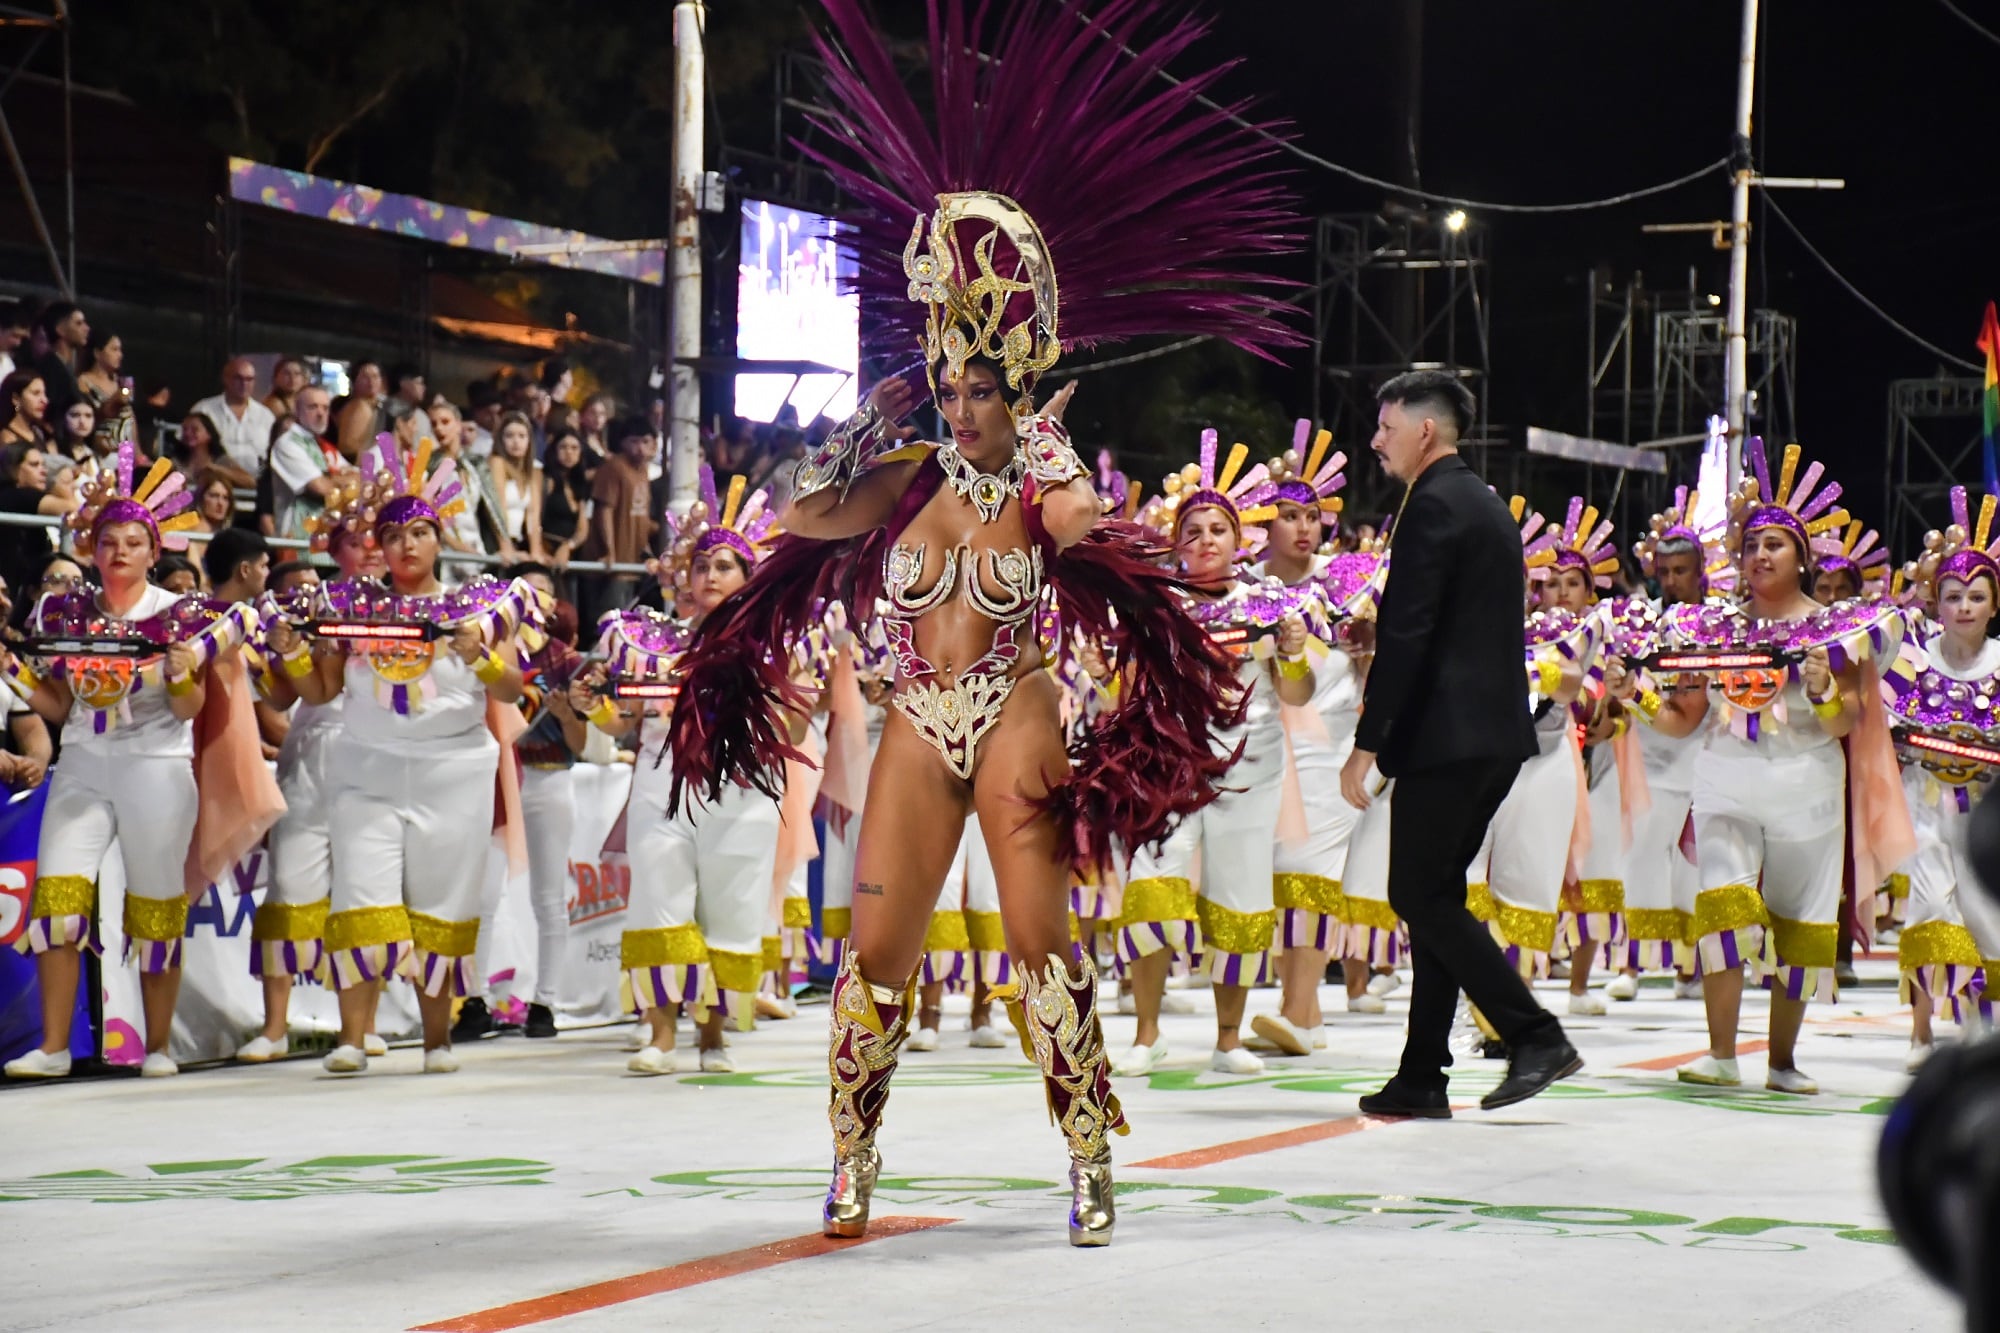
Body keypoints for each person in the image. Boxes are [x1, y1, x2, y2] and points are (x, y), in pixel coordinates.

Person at [668, 0, 1293, 1243]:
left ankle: (1088, 1157)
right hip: (914, 717)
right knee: (877, 953)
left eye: (975, 388)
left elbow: (1075, 530)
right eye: (945, 386)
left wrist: (1058, 461)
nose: (958, 404)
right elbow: (800, 517)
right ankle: (850, 1159)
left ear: (1016, 386)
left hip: (1011, 710)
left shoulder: (1037, 475)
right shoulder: (902, 479)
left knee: (1037, 941)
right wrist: (862, 420)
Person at [1338, 370, 1580, 1118]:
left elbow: (1410, 636)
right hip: (1486, 737)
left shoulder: (1433, 504)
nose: (1375, 440)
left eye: (1384, 426)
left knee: (1418, 892)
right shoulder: (1479, 501)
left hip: (1449, 737)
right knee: (1434, 893)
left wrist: (1368, 741)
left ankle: (1534, 1033)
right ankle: (1422, 1073)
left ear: (1424, 430)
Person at [266, 438, 542, 1075]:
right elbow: (322, 691)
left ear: (439, 537)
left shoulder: (484, 607)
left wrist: (479, 654)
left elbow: (512, 690)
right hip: (366, 769)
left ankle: (437, 1040)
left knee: (440, 907)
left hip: (455, 775)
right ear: (378, 546)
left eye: (419, 531)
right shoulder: (353, 608)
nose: (406, 546)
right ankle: (350, 1040)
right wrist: (291, 653)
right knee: (359, 898)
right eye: (393, 535)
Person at [2, 442, 276, 1079]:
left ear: (156, 551)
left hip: (156, 767)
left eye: (132, 541)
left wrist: (183, 673)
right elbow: (56, 700)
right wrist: (11, 667)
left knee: (155, 910)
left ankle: (157, 1047)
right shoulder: (64, 610)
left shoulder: (180, 615)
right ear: (92, 549)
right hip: (82, 768)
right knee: (58, 902)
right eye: (107, 540)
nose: (118, 551)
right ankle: (53, 1047)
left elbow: (187, 711)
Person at [1651, 439, 1911, 1093]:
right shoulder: (1708, 628)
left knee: (1801, 922)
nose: (1760, 555)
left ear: (1803, 557)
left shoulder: (1836, 629)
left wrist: (1824, 686)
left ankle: (1781, 1060)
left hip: (1808, 790)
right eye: (1752, 545)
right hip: (1725, 781)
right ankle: (1719, 1053)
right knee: (1722, 905)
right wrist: (1631, 703)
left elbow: (1846, 721)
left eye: (1775, 544)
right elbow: (1681, 717)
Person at [1113, 436, 1318, 1078]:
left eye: (1219, 529)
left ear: (1240, 541)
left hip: (1249, 772)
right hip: (1166, 765)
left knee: (1239, 901)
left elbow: (1297, 692)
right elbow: (1124, 687)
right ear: (1177, 543)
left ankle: (1228, 1040)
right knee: (1150, 888)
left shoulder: (1268, 606)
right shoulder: (1154, 605)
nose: (1205, 540)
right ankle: (1147, 1034)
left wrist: (1291, 650)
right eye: (1193, 530)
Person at [587, 476, 790, 1073]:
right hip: (662, 787)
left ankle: (713, 1038)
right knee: (657, 902)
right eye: (701, 563)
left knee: (730, 908)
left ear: (749, 576)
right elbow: (620, 717)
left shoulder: (774, 643)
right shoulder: (646, 643)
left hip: (744, 793)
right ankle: (661, 1036)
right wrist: (593, 703)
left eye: (725, 564)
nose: (710, 575)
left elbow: (797, 732)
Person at [237, 497, 394, 1064]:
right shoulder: (308, 605)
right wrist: (273, 660)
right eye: (357, 541)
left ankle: (366, 1022)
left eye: (378, 539)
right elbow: (282, 694)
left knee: (367, 890)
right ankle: (274, 1028)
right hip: (315, 746)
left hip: (383, 749)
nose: (371, 550)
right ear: (334, 549)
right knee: (288, 888)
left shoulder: (410, 605)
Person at [1889, 490, 2000, 1068]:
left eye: (1976, 597)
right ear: (1936, 601)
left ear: (1992, 604)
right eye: (1952, 596)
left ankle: (1980, 1031)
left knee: (1985, 922)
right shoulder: (1912, 658)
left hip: (1986, 814)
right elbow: (1881, 725)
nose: (1963, 606)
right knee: (1931, 909)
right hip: (1924, 803)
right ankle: (1921, 1032)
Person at [578, 415, 657, 624]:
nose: (640, 448)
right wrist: (609, 551)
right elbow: (604, 510)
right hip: (613, 565)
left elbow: (640, 512)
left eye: (645, 441)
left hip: (632, 562)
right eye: (634, 441)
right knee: (607, 624)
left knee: (627, 623)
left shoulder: (643, 471)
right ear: (622, 442)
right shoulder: (613, 467)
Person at [268, 383, 344, 539]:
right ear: (297, 410)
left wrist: (332, 479)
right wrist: (340, 481)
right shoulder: (287, 444)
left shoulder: (322, 445)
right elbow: (321, 488)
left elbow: (358, 477)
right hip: (297, 537)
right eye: (313, 407)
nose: (321, 413)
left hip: (327, 535)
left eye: (325, 408)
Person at [191, 358, 278, 478]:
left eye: (249, 379)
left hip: (257, 484)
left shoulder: (266, 416)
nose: (244, 384)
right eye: (238, 378)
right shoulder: (204, 409)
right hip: (214, 481)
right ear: (225, 379)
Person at [489, 411, 543, 562]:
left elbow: (533, 516)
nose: (516, 442)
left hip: (516, 542)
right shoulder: (496, 462)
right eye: (509, 436)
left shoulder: (532, 471)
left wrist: (536, 552)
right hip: (495, 542)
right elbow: (498, 507)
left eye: (521, 436)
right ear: (501, 439)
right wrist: (506, 547)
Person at [539, 426, 589, 573]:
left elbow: (582, 529)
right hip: (545, 552)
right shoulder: (546, 480)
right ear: (554, 450)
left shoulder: (578, 484)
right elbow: (535, 518)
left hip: (570, 554)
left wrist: (568, 545)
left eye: (574, 448)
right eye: (563, 447)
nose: (569, 453)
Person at [75, 331, 133, 453]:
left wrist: (138, 454)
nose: (120, 355)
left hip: (125, 451)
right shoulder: (84, 382)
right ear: (97, 353)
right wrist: (114, 401)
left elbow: (130, 419)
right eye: (114, 349)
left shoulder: (120, 382)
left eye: (120, 350)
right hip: (100, 449)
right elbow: (89, 417)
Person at [31, 302, 87, 418]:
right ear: (60, 330)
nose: (86, 328)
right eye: (78, 323)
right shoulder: (50, 368)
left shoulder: (64, 366)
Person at [174, 412, 254, 491]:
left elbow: (250, 482)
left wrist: (216, 470)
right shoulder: (176, 461)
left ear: (209, 434)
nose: (188, 433)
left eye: (194, 429)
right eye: (185, 430)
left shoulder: (221, 460)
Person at [337, 360, 388, 460]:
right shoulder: (357, 407)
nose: (371, 381)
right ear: (354, 380)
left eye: (375, 376)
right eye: (365, 377)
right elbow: (348, 449)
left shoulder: (377, 405)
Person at [2, 369, 49, 446]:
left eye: (44, 394)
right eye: (36, 393)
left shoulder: (38, 431)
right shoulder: (8, 439)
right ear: (16, 399)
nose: (45, 400)